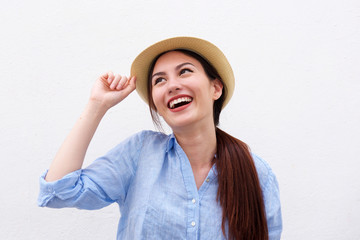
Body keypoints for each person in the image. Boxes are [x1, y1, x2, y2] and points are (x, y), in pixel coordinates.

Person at [38, 37, 282, 240]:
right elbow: (58, 191)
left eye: (185, 71)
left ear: (215, 88)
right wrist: (96, 106)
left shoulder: (258, 174)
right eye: (160, 80)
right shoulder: (140, 153)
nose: (172, 85)